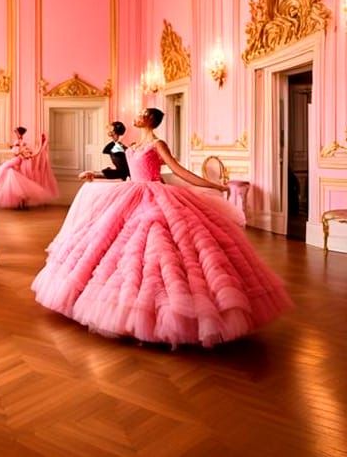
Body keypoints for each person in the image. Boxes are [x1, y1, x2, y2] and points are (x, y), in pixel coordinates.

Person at [32, 107, 292, 347]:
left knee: (159, 245)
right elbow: (122, 171)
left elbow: (179, 171)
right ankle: (122, 307)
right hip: (129, 194)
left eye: (144, 113)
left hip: (155, 195)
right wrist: (95, 174)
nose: (138, 115)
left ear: (151, 120)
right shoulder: (131, 145)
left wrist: (213, 185)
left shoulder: (158, 144)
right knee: (111, 245)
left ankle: (160, 312)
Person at [0, 127, 56, 209]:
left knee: (17, 182)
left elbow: (31, 154)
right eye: (17, 133)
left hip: (17, 164)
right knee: (11, 176)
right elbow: (17, 152)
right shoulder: (18, 144)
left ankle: (21, 203)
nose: (18, 135)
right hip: (15, 164)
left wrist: (42, 144)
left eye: (18, 133)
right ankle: (20, 203)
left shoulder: (23, 146)